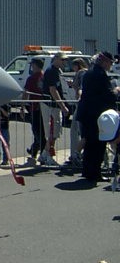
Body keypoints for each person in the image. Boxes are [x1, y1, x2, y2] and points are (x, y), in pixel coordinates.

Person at [76, 51, 120, 183]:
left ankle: (87, 171)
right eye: (110, 62)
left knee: (89, 143)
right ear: (104, 62)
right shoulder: (99, 75)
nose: (111, 65)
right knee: (97, 145)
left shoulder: (89, 72)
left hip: (86, 114)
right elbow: (107, 96)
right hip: (96, 115)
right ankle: (95, 173)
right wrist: (117, 90)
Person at [38, 53, 69, 166]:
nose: (64, 62)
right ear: (55, 59)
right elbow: (53, 90)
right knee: (52, 132)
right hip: (50, 106)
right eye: (62, 60)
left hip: (54, 106)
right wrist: (63, 106)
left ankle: (44, 155)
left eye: (65, 60)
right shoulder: (51, 71)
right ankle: (49, 156)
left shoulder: (57, 71)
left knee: (55, 132)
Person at [23, 58, 46, 164]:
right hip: (44, 108)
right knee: (40, 131)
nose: (31, 66)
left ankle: (43, 154)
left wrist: (22, 106)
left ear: (35, 65)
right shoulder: (44, 76)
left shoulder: (32, 78)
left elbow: (26, 92)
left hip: (35, 108)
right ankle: (33, 151)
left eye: (32, 65)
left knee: (38, 132)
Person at [67, 57, 88, 167]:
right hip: (80, 103)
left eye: (74, 65)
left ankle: (75, 154)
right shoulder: (85, 72)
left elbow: (79, 87)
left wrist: (72, 84)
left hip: (80, 104)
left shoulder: (81, 73)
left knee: (76, 129)